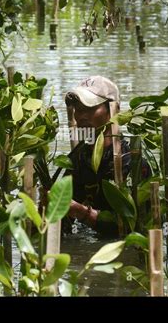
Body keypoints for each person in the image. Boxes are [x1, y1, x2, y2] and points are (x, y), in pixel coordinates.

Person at [64, 76, 151, 237]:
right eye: (79, 109)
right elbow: (65, 222)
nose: (82, 116)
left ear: (113, 110)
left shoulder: (132, 162)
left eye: (90, 109)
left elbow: (134, 228)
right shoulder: (78, 158)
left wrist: (83, 213)